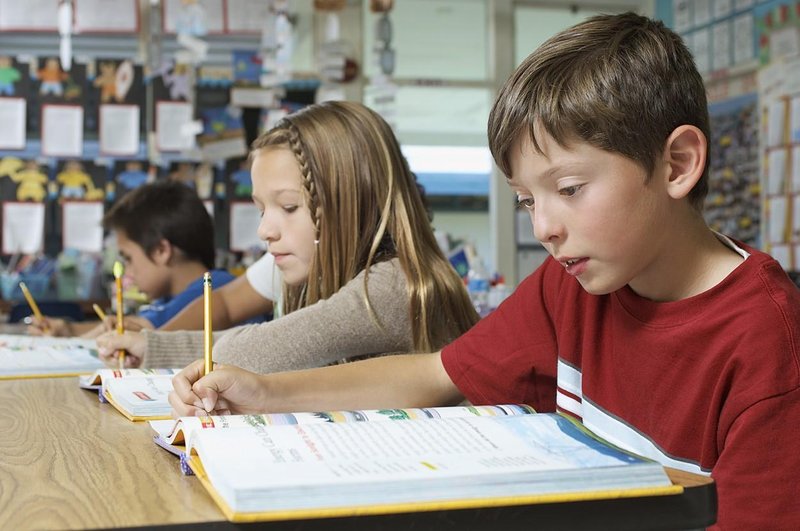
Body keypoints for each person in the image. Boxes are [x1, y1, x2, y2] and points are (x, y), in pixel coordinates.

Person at [168, 13, 800, 529]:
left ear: (677, 164)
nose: (543, 227)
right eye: (527, 200)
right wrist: (266, 392)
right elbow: (433, 376)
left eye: (571, 188)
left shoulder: (768, 345)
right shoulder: (569, 285)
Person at [95, 101, 479, 373]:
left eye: (290, 207)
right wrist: (151, 345)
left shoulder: (391, 287)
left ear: (351, 203)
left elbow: (260, 349)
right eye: (262, 210)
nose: (265, 230)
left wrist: (155, 346)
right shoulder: (318, 264)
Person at [30, 180, 236, 338]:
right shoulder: (170, 299)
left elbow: (143, 329)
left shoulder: (214, 288)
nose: (128, 272)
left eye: (129, 259)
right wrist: (69, 329)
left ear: (161, 250)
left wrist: (72, 335)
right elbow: (137, 323)